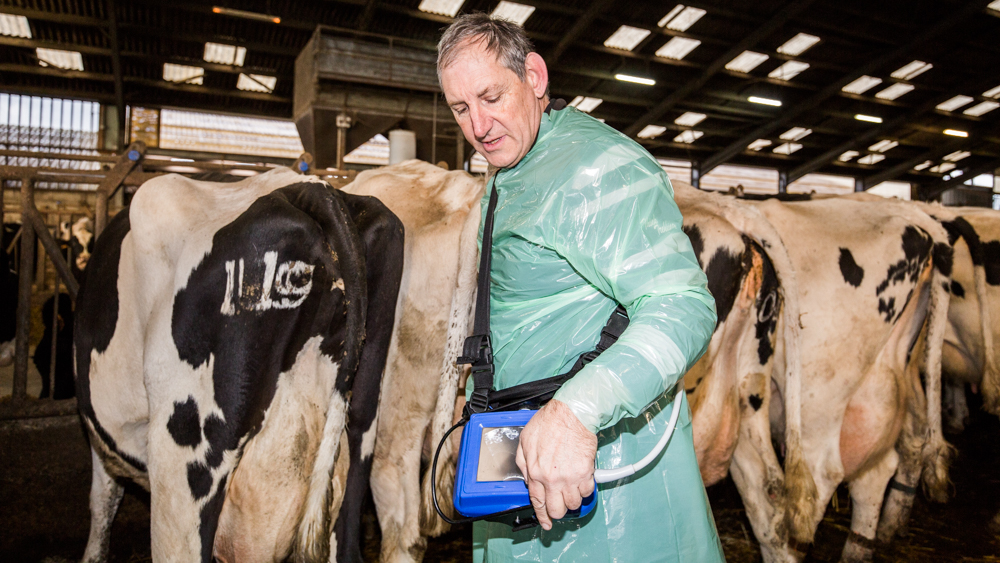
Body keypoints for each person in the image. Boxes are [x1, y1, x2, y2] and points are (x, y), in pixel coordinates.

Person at [438, 13, 726, 563]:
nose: (478, 124)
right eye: (460, 108)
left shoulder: (598, 168)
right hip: (527, 444)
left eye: (491, 96)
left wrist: (576, 413)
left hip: (602, 475)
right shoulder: (516, 164)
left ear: (536, 77)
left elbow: (683, 305)